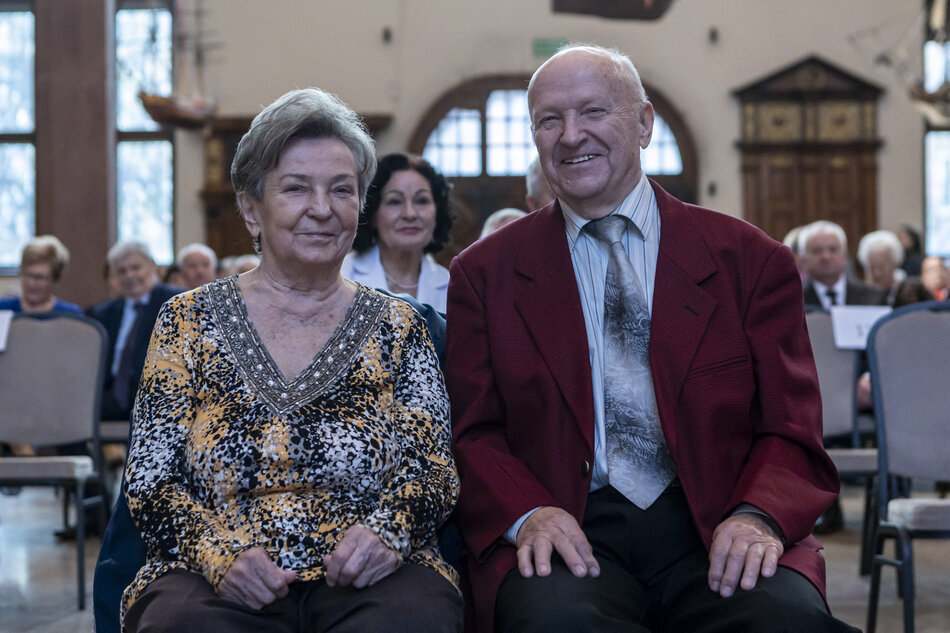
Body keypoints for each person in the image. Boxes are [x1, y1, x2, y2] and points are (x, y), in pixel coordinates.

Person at [445, 44, 855, 633]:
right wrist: (527, 514)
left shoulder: (748, 261)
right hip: (571, 525)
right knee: (550, 622)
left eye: (593, 111)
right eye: (548, 120)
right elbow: (473, 432)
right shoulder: (486, 274)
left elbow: (791, 426)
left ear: (643, 123)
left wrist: (757, 515)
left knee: (783, 620)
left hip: (718, 518)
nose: (570, 135)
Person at [119, 88, 461, 633]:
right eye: (296, 188)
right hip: (214, 577)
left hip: (371, 575)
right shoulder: (185, 321)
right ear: (251, 209)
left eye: (342, 190)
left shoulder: (402, 327)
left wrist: (385, 536)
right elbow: (150, 480)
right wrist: (218, 556)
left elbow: (433, 471)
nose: (322, 209)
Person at [342, 153, 453, 312]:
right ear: (372, 213)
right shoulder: (343, 274)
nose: (410, 214)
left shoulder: (451, 286)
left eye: (421, 201)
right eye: (395, 201)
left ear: (437, 213)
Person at [87, 242, 182, 423]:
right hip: (109, 398)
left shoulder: (176, 303)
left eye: (136, 267)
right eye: (122, 271)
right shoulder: (102, 314)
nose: (129, 275)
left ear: (152, 266)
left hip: (159, 398)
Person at [799, 220, 884, 310]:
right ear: (803, 259)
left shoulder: (872, 297)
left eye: (833, 249)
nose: (826, 256)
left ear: (845, 255)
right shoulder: (793, 300)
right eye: (817, 251)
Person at [0, 235, 81, 314]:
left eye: (39, 277)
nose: (31, 283)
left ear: (55, 278)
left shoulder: (70, 315)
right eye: (27, 275)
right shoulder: (3, 309)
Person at [856, 229, 932, 308]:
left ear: (896, 264)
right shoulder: (859, 295)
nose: (877, 273)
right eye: (872, 267)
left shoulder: (911, 293)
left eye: (881, 267)